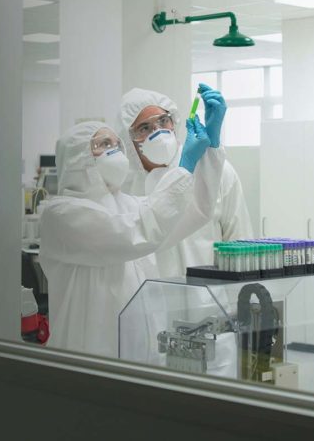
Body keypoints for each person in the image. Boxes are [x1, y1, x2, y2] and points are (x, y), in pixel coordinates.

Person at [39, 113, 225, 358]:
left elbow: (192, 212)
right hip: (87, 353)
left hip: (140, 350)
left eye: (116, 144)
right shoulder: (62, 213)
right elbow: (138, 231)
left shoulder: (127, 205)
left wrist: (209, 151)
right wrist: (184, 166)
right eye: (104, 144)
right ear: (78, 158)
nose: (115, 149)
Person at [119, 85, 252, 278]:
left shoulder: (215, 169)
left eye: (163, 121)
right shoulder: (126, 188)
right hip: (152, 300)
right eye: (144, 128)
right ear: (128, 138)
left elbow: (240, 240)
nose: (157, 132)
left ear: (174, 121)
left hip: (211, 299)